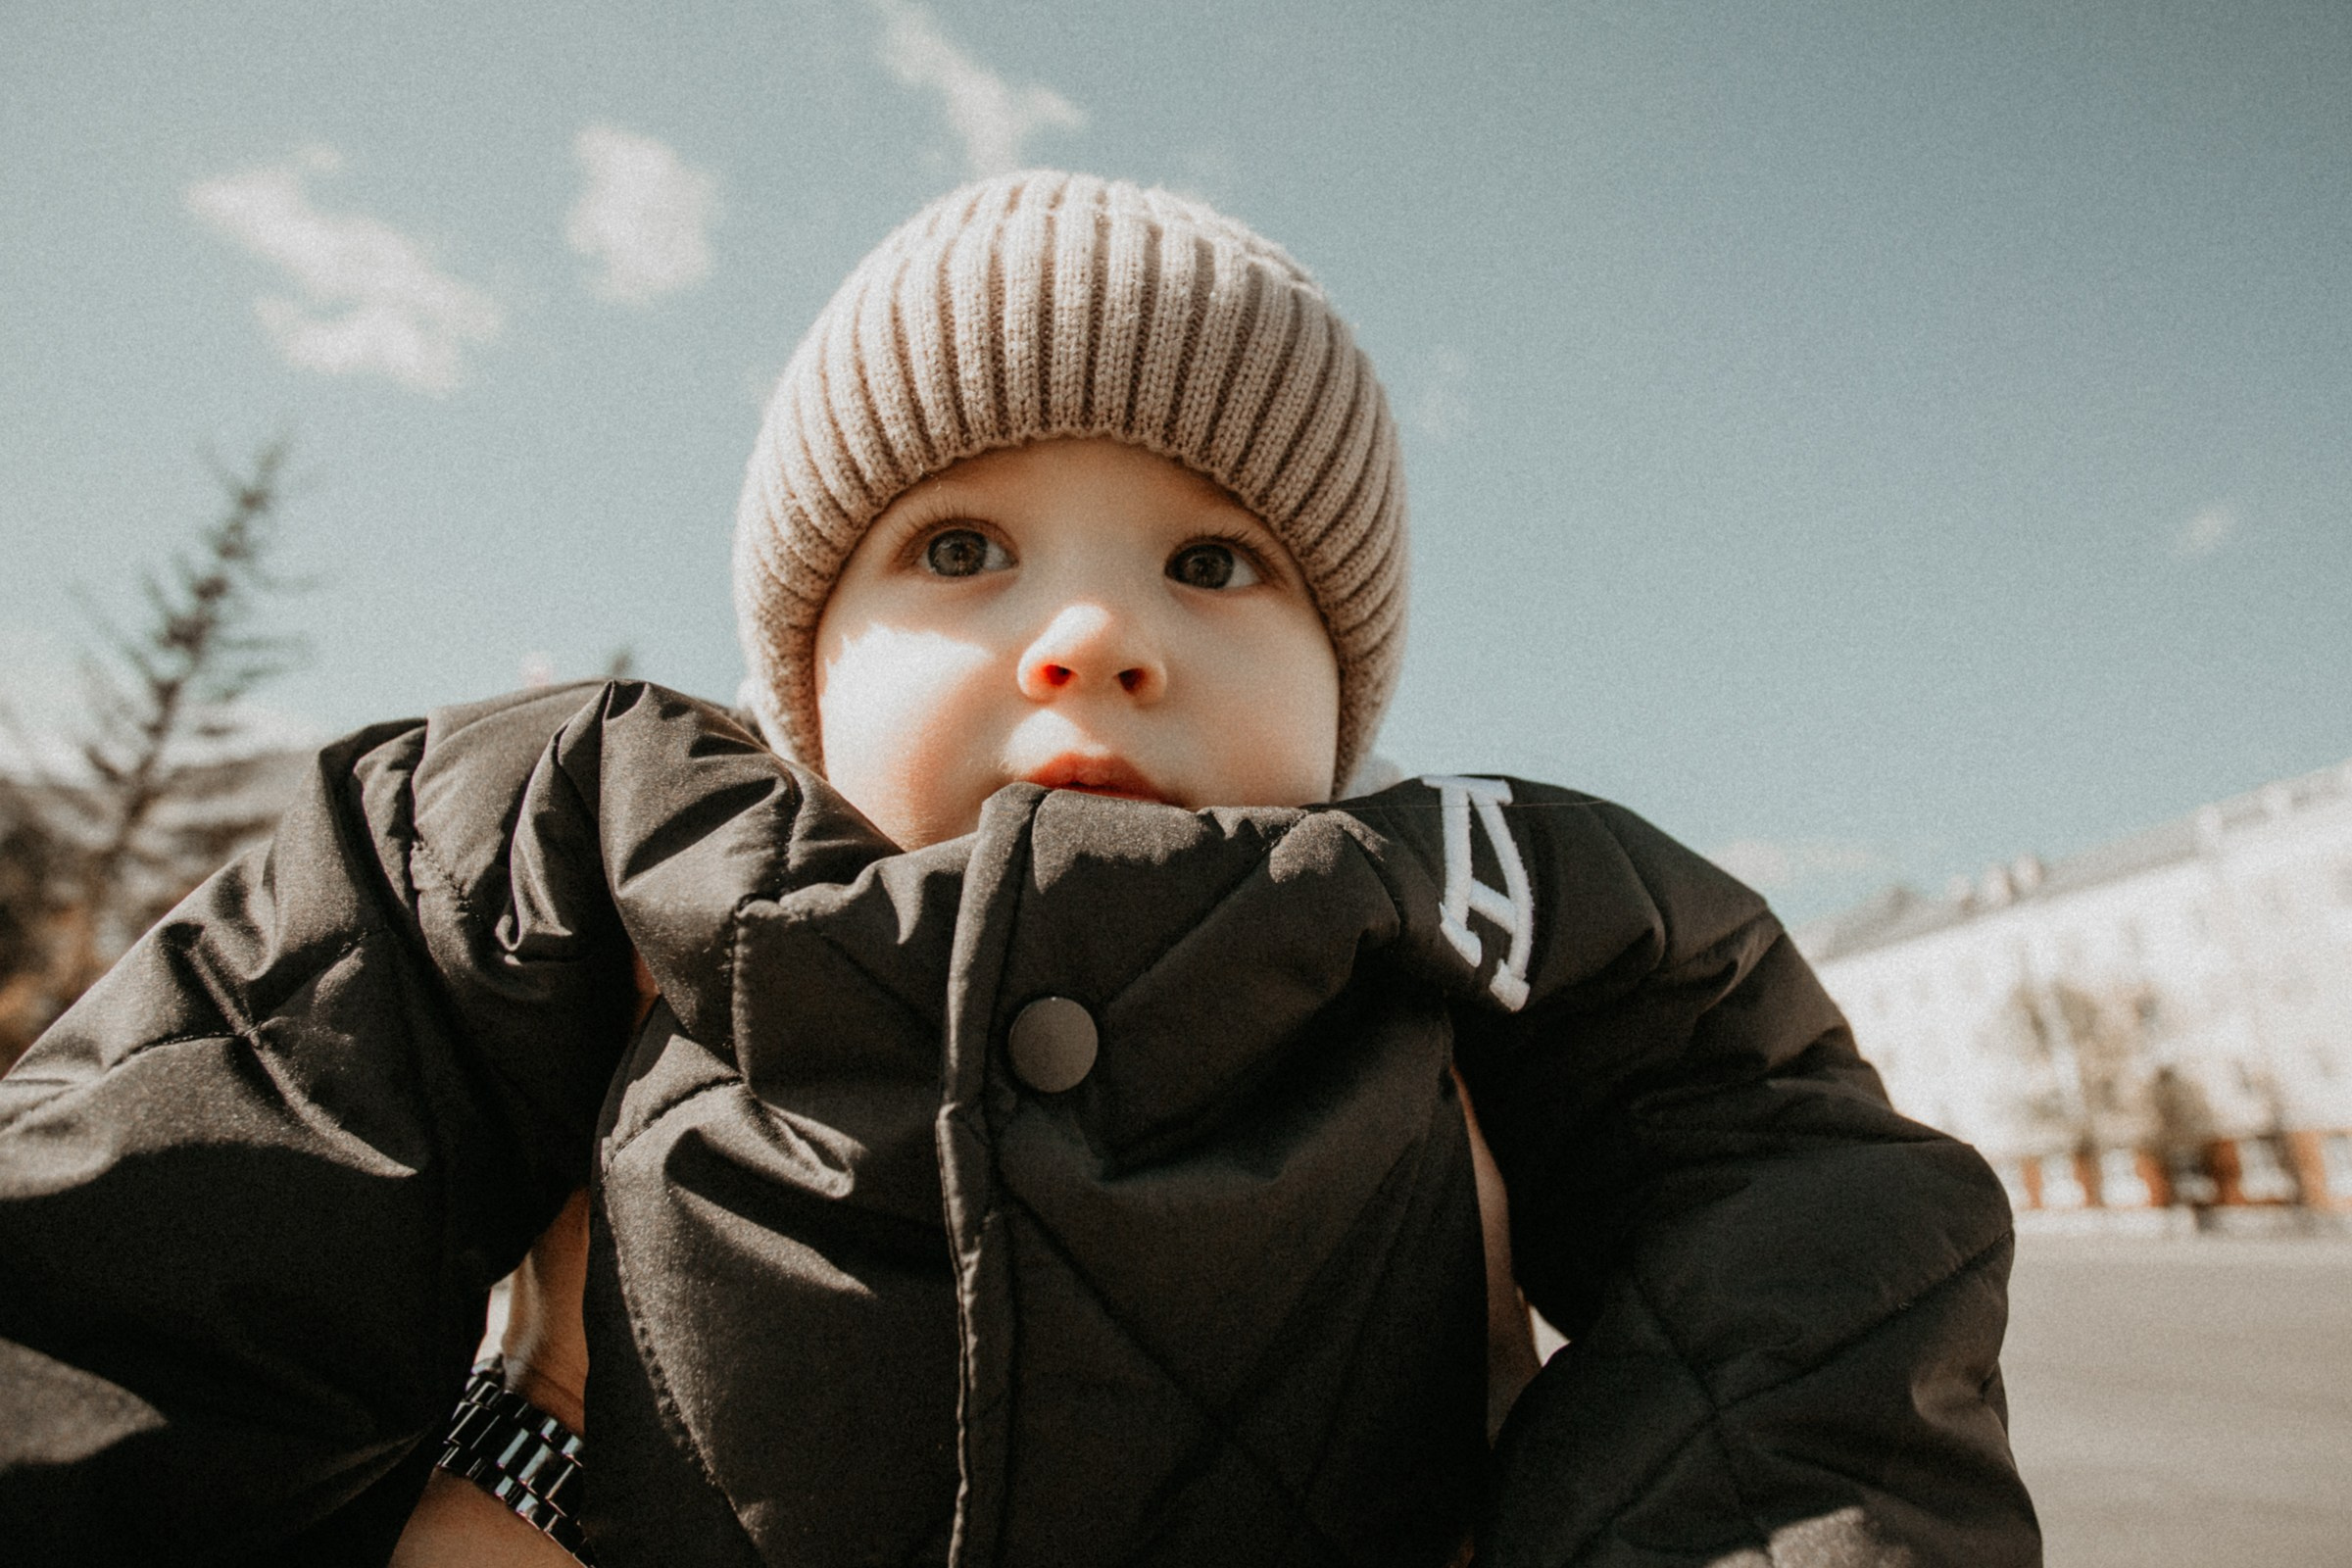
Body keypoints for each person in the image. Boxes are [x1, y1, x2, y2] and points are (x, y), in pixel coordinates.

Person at [0, 172, 2037, 1567]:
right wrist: (512, 1466)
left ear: (1347, 700)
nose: (1095, 632)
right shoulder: (580, 857)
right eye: (961, 549)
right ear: (797, 669)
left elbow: (1819, 1266)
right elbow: (131, 1246)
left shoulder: (1496, 919)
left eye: (1214, 560)